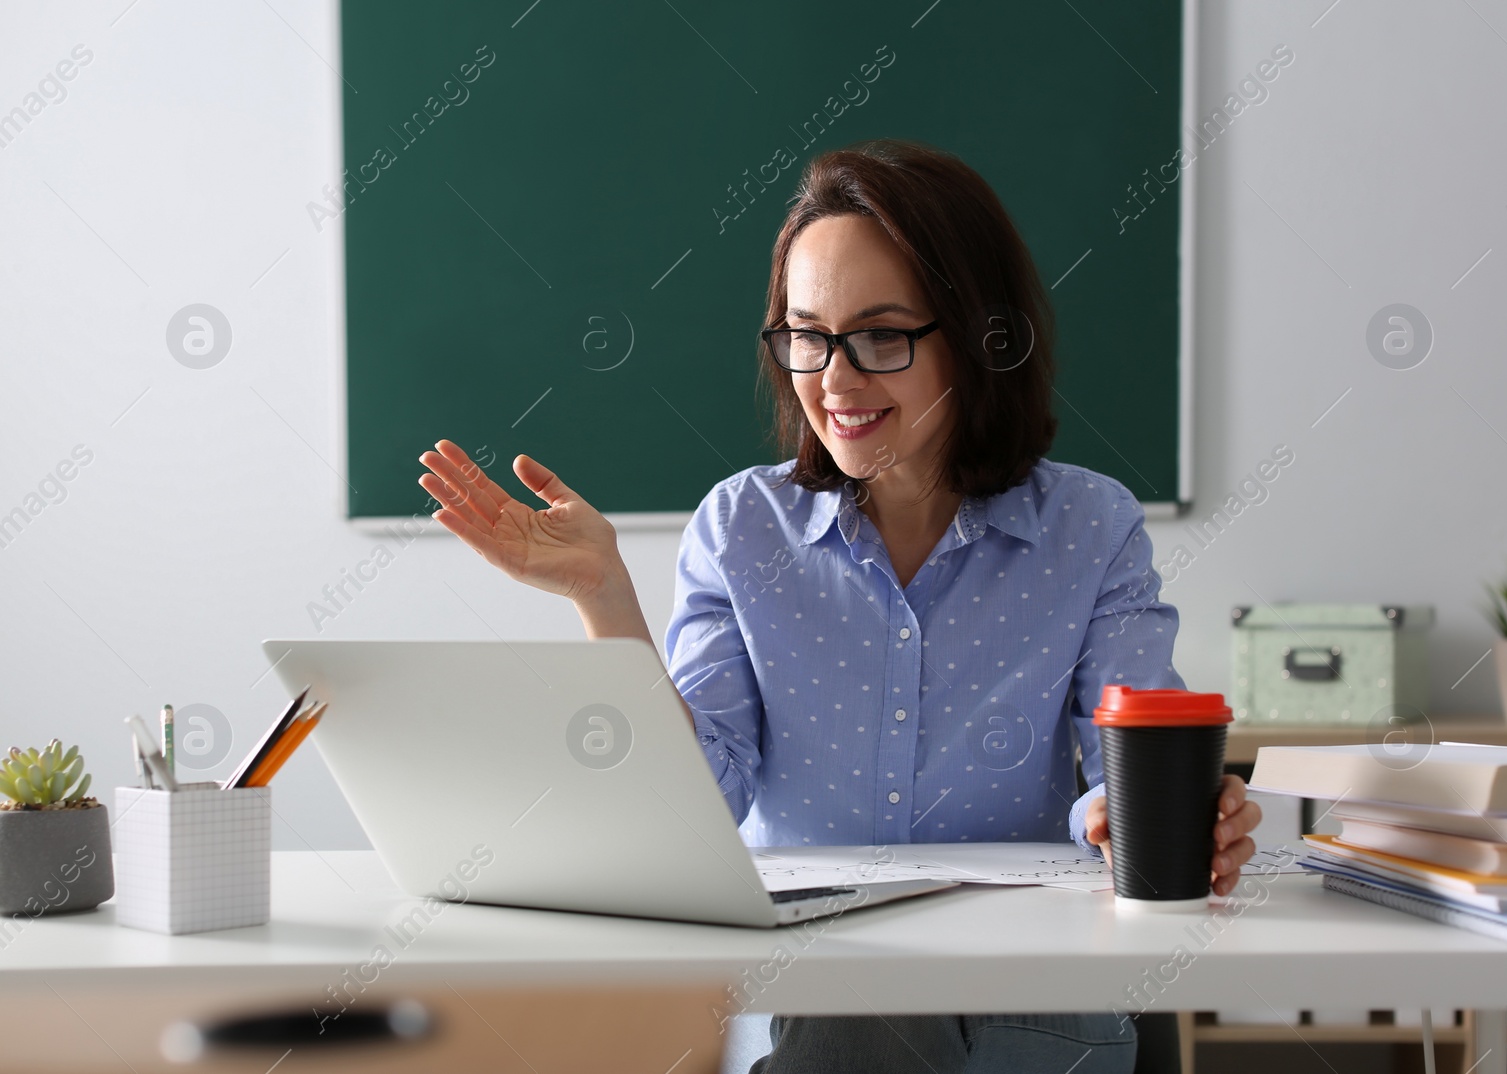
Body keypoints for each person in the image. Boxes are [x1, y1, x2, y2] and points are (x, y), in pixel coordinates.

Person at [419, 139, 1260, 1074]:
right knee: (856, 1010)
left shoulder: (1087, 526)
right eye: (806, 335)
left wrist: (1146, 818)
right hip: (817, 1008)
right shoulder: (742, 527)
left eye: (881, 335)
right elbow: (701, 800)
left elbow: (1129, 753)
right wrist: (604, 600)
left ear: (982, 335)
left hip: (1027, 1000)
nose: (833, 379)